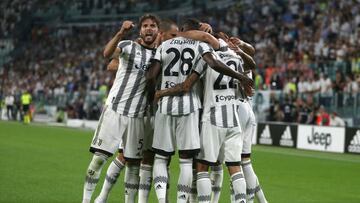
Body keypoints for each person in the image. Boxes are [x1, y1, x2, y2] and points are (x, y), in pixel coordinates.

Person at [147, 19, 252, 203]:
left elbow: (159, 78)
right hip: (213, 113)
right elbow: (228, 66)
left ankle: (169, 199)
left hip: (190, 112)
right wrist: (242, 76)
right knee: (216, 165)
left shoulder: (174, 47)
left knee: (176, 161)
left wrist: (157, 94)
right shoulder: (221, 53)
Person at [82, 14, 160, 203]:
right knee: (99, 159)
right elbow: (107, 54)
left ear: (158, 30)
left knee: (133, 165)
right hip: (115, 110)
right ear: (140, 30)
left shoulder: (160, 55)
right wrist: (120, 33)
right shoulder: (128, 46)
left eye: (153, 26)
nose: (149, 29)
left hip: (138, 116)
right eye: (145, 26)